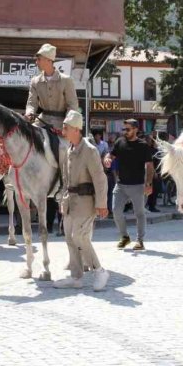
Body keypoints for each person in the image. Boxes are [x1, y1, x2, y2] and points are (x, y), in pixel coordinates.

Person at [53, 110, 110, 291]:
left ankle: (99, 271)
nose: (63, 130)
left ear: (76, 129)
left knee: (80, 237)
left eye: (66, 128)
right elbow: (65, 179)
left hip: (86, 202)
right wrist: (63, 200)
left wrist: (101, 204)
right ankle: (76, 277)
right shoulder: (68, 150)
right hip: (70, 201)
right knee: (69, 238)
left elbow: (100, 179)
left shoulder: (90, 151)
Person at [25, 43, 79, 229]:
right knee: (24, 141)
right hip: (42, 120)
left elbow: (73, 106)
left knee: (64, 150)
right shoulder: (35, 81)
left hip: (61, 122)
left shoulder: (66, 80)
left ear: (48, 60)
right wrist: (29, 113)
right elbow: (31, 103)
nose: (36, 61)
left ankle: (64, 184)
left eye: (39, 58)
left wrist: (67, 125)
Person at [103, 118, 155, 251]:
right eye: (124, 129)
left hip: (138, 185)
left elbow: (149, 166)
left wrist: (149, 183)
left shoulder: (143, 145)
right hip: (121, 185)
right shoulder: (120, 142)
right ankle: (124, 237)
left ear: (135, 129)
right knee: (116, 211)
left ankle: (140, 241)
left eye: (128, 129)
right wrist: (107, 158)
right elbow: (111, 154)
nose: (125, 131)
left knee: (139, 213)